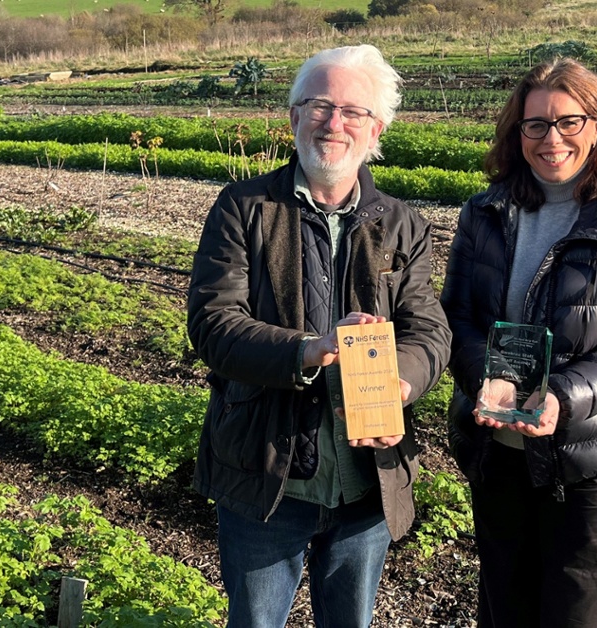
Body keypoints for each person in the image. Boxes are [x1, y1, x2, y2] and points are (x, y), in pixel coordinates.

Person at [187, 44, 450, 628]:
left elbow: (429, 329)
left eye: (352, 111)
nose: (333, 124)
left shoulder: (402, 224)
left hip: (367, 484)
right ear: (293, 117)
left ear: (376, 128)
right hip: (267, 477)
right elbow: (213, 324)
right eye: (319, 106)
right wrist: (310, 349)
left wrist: (399, 384)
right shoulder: (243, 208)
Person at [440, 57, 597, 627]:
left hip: (593, 452)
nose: (552, 139)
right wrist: (481, 377)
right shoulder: (486, 211)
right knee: (505, 603)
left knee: (584, 608)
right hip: (501, 449)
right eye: (535, 124)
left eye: (569, 122)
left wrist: (563, 397)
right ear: (516, 132)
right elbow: (457, 316)